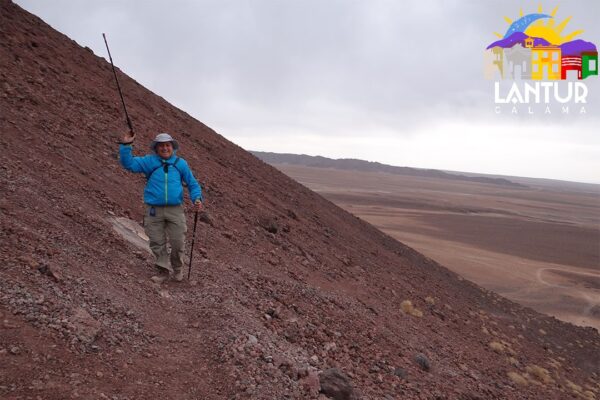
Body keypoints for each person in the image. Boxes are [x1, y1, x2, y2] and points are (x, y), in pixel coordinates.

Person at [119, 132, 203, 283]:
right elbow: (129, 164)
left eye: (167, 145)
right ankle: (163, 271)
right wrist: (126, 145)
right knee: (157, 242)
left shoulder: (180, 163)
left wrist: (196, 198)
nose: (165, 148)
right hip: (153, 210)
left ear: (172, 147)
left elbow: (192, 183)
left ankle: (178, 269)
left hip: (175, 209)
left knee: (178, 242)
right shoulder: (149, 161)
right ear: (156, 148)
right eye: (161, 146)